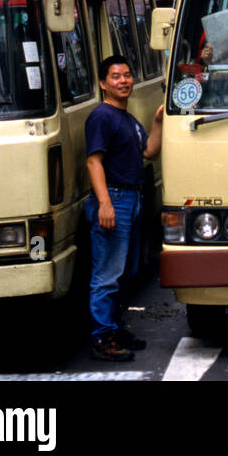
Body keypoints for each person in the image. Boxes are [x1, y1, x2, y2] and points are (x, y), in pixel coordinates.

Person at [85, 55, 163, 362]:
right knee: (106, 273)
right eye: (116, 77)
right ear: (103, 84)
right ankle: (101, 337)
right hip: (114, 199)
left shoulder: (128, 119)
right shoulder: (101, 117)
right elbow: (94, 162)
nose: (124, 81)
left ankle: (115, 329)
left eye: (127, 75)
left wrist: (157, 122)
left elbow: (149, 152)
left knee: (124, 271)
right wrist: (105, 202)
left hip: (132, 199)